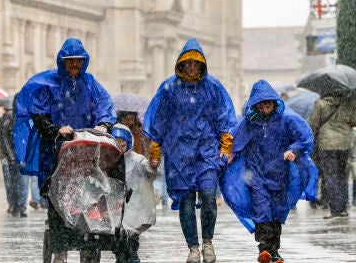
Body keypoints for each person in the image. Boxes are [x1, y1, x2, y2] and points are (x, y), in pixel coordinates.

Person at [14, 37, 116, 263]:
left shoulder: (90, 83)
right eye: (70, 62)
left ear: (84, 62)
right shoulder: (49, 85)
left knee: (89, 199)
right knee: (58, 200)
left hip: (87, 152)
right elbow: (39, 116)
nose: (74, 66)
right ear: (62, 62)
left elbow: (104, 106)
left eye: (78, 61)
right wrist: (57, 130)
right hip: (55, 153)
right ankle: (59, 247)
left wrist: (103, 125)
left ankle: (88, 245)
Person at [143, 38, 236, 263]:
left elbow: (223, 117)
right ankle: (193, 247)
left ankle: (208, 243)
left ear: (202, 64)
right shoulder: (169, 89)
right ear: (182, 64)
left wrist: (226, 146)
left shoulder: (212, 87)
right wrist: (155, 152)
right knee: (185, 202)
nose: (192, 67)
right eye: (188, 63)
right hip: (179, 153)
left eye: (196, 63)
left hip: (206, 150)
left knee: (208, 197)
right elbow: (159, 121)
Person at [221, 79, 317, 263]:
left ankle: (274, 250)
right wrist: (231, 154)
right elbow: (236, 141)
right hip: (255, 176)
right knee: (262, 210)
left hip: (279, 176)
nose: (266, 105)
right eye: (262, 102)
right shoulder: (249, 123)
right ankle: (264, 249)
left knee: (276, 213)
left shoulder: (287, 119)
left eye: (269, 102)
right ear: (256, 104)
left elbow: (305, 136)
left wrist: (294, 150)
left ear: (274, 102)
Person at [111, 124, 162, 263]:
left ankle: (132, 254)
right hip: (115, 206)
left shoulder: (136, 159)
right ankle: (122, 256)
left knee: (131, 234)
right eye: (117, 144)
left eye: (123, 144)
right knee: (119, 236)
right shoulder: (108, 160)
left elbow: (149, 170)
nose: (120, 147)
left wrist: (152, 165)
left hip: (134, 205)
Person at [308, 91, 356, 218]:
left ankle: (335, 209)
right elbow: (354, 120)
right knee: (342, 174)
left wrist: (309, 141)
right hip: (345, 143)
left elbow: (313, 124)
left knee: (330, 175)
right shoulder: (348, 103)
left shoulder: (320, 104)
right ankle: (343, 208)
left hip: (327, 144)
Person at [0, 101, 29, 217]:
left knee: (17, 182)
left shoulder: (24, 118)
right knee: (16, 182)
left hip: (16, 156)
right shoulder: (7, 119)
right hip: (10, 156)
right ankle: (16, 206)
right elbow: (1, 137)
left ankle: (18, 206)